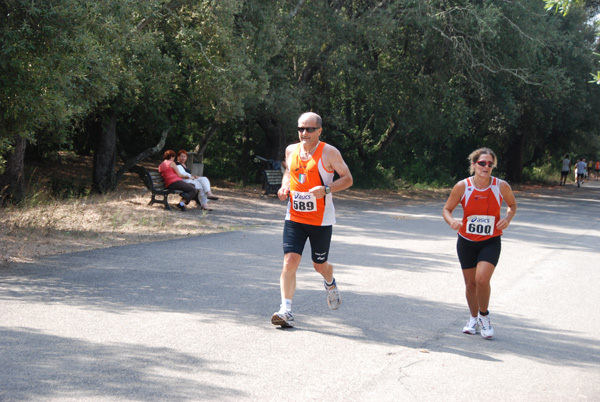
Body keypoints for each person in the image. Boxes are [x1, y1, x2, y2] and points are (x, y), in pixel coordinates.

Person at [271, 112, 353, 327]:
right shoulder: (291, 150)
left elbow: (348, 179)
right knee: (290, 261)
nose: (304, 133)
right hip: (295, 217)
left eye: (309, 129)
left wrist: (326, 189)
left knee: (319, 265)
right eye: (300, 129)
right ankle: (285, 310)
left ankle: (330, 282)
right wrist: (284, 186)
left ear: (319, 131)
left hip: (321, 220)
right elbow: (289, 172)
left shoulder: (329, 152)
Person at [442, 148, 517, 339]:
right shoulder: (462, 186)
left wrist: (507, 219)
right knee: (470, 285)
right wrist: (452, 222)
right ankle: (473, 318)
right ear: (474, 164)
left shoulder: (501, 186)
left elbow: (512, 205)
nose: (486, 167)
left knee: (482, 279)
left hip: (490, 241)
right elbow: (447, 209)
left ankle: (484, 317)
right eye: (482, 163)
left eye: (490, 164)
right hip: (466, 241)